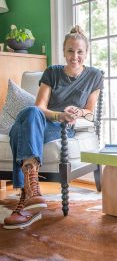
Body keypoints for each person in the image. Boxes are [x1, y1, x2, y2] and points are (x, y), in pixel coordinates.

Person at [3, 26, 103, 230]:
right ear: (64, 51)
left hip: (64, 128)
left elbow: (91, 112)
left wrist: (78, 112)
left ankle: (24, 201)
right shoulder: (52, 72)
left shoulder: (94, 76)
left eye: (80, 52)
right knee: (31, 113)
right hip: (45, 119)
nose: (75, 56)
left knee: (18, 129)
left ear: (86, 53)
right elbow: (40, 108)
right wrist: (59, 114)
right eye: (70, 51)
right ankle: (33, 192)